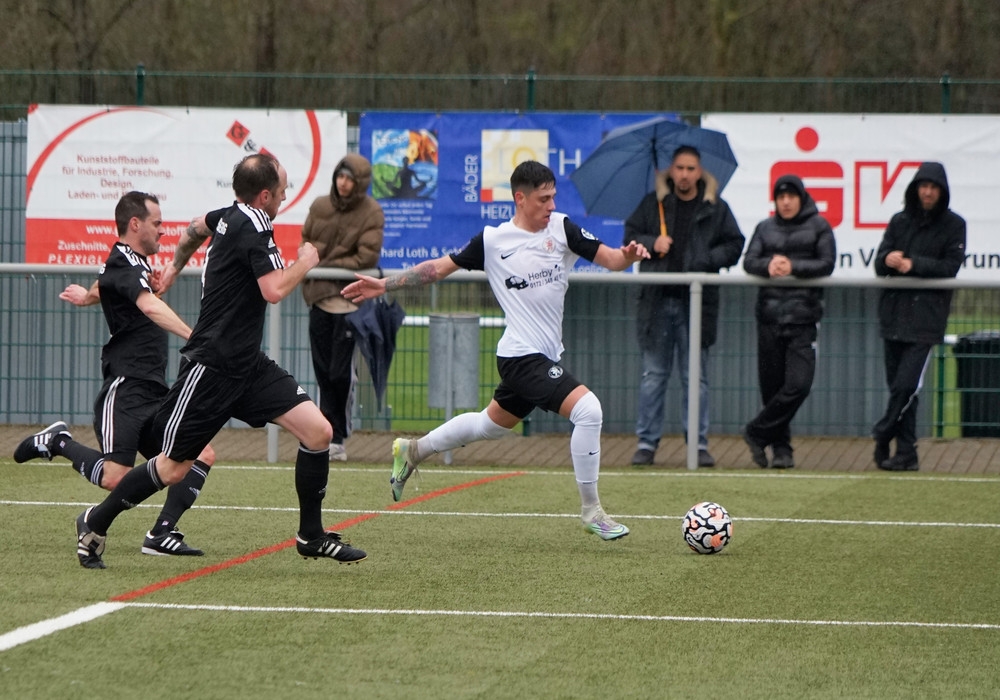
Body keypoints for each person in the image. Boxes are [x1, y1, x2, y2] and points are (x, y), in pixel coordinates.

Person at [72, 153, 366, 568]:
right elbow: (274, 290)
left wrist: (174, 267)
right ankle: (95, 522)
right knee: (173, 469)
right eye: (282, 191)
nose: (285, 198)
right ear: (265, 196)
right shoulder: (255, 221)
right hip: (210, 369)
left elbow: (195, 228)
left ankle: (311, 535)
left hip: (247, 365)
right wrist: (306, 260)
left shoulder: (227, 215)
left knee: (318, 431)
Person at [342, 160, 649, 540]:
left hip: (542, 356)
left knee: (488, 425)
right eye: (543, 199)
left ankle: (413, 450)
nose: (551, 205)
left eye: (553, 197)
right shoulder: (492, 241)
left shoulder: (563, 228)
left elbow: (612, 260)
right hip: (520, 357)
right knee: (589, 411)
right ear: (520, 198)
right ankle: (592, 512)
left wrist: (629, 255)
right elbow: (437, 269)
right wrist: (384, 285)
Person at [14, 192, 214, 556]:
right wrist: (195, 337)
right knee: (114, 477)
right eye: (157, 223)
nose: (163, 230)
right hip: (125, 389)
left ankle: (161, 534)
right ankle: (58, 442)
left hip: (155, 390)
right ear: (135, 224)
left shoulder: (132, 264)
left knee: (200, 454)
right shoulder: (121, 262)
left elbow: (106, 285)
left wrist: (87, 297)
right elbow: (148, 306)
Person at [624, 146, 744, 468]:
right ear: (670, 171)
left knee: (696, 379)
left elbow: (735, 244)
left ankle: (698, 445)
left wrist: (707, 260)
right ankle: (646, 444)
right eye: (679, 168)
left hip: (698, 304)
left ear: (699, 171)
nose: (685, 175)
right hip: (656, 303)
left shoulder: (716, 207)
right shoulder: (652, 204)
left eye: (691, 168)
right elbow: (630, 237)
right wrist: (652, 243)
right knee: (653, 376)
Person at [872, 162, 966, 471]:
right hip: (893, 316)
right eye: (923, 186)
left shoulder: (954, 225)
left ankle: (883, 432)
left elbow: (950, 266)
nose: (927, 192)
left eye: (933, 187)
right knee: (902, 391)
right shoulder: (899, 221)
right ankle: (906, 453)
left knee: (906, 386)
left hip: (926, 320)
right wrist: (888, 259)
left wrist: (914, 265)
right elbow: (879, 263)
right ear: (915, 189)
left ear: (942, 191)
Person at [742, 175, 836, 468]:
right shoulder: (764, 227)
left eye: (791, 196)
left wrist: (793, 266)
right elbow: (749, 261)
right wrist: (768, 265)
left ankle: (756, 432)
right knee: (772, 389)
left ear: (801, 198)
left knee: (799, 384)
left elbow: (827, 263)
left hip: (803, 318)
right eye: (780, 197)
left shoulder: (819, 226)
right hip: (768, 318)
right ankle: (782, 451)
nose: (785, 202)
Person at [301, 154, 385, 462]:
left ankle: (338, 436)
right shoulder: (319, 205)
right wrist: (313, 261)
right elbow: (306, 244)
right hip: (319, 299)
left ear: (359, 182)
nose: (343, 183)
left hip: (349, 304)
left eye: (350, 178)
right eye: (340, 176)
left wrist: (327, 264)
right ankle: (326, 434)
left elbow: (366, 257)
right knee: (323, 372)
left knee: (340, 373)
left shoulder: (371, 212)